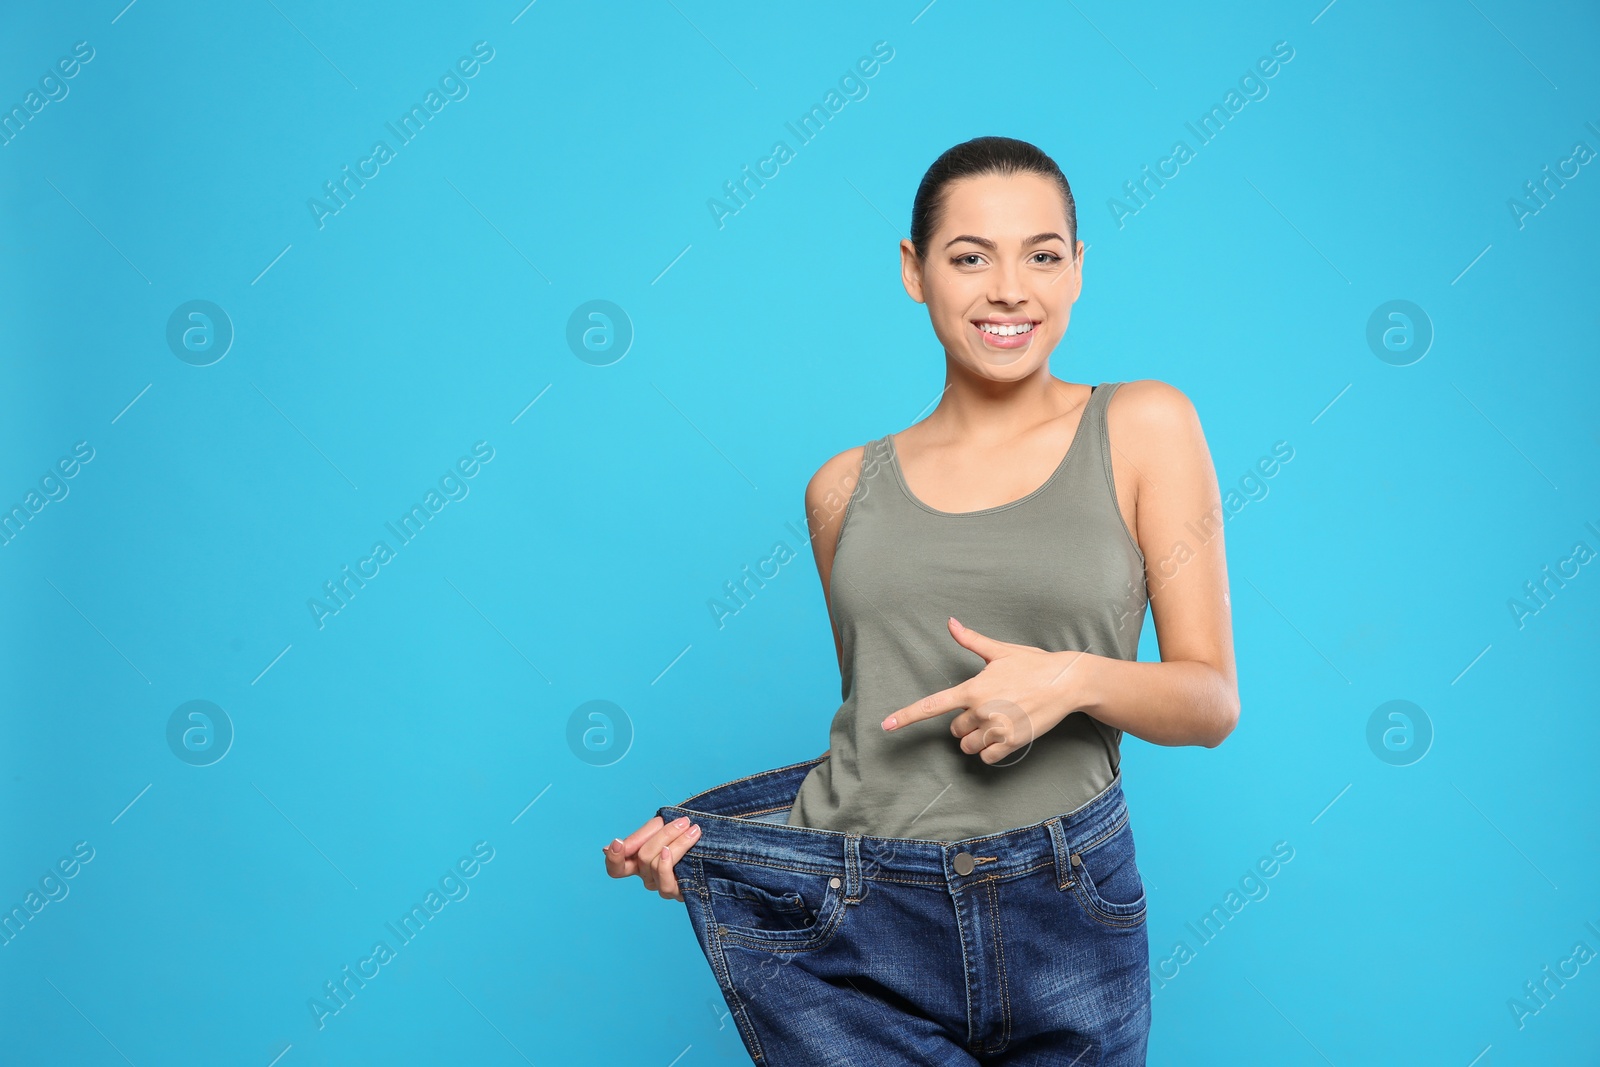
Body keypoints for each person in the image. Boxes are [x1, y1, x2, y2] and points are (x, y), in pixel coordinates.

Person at [603, 135, 1238, 1064]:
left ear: (1078, 270)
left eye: (1043, 254)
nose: (1010, 288)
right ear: (915, 270)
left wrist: (1066, 679)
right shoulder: (841, 489)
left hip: (1062, 906)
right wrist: (730, 861)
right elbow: (876, 744)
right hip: (855, 921)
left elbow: (1210, 700)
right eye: (971, 256)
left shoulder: (1144, 424)